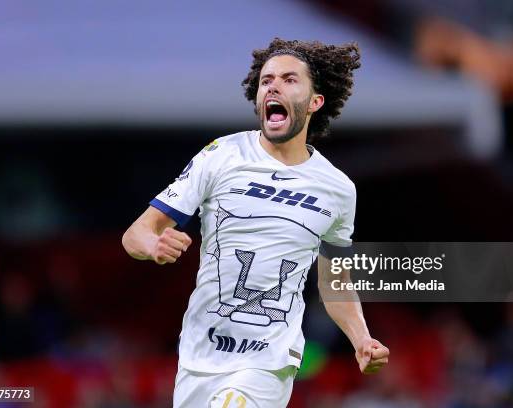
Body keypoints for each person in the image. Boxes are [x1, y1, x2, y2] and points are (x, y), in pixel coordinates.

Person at [122, 38, 389, 407]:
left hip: (268, 362)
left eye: (289, 79)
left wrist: (361, 339)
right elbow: (136, 232)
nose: (274, 86)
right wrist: (153, 246)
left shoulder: (338, 189)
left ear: (315, 102)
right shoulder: (221, 156)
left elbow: (336, 282)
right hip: (200, 355)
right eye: (267, 81)